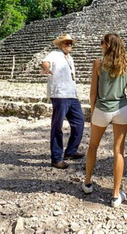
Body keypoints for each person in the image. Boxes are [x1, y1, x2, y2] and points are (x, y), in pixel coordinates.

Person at [82, 33, 127, 208]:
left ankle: (88, 182)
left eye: (102, 42)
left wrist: (92, 111)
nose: (100, 45)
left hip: (102, 109)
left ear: (107, 45)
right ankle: (115, 194)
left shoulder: (98, 63)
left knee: (93, 146)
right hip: (122, 109)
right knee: (119, 151)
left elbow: (93, 92)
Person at [41, 34, 85, 169]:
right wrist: (46, 68)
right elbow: (45, 62)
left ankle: (71, 151)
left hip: (71, 94)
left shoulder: (70, 58)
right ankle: (56, 158)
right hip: (59, 94)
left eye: (71, 43)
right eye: (66, 43)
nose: (69, 45)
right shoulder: (54, 54)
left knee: (79, 122)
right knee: (57, 126)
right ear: (60, 44)